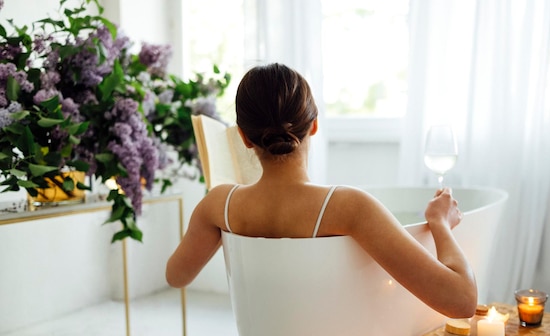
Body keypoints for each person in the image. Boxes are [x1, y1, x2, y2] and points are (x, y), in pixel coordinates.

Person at [166, 63, 476, 319]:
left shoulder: (219, 204)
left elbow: (176, 276)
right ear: (313, 125)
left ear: (244, 137)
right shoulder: (349, 207)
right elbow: (461, 301)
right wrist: (440, 223)